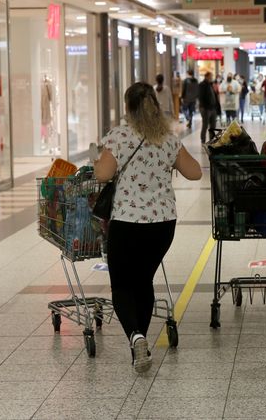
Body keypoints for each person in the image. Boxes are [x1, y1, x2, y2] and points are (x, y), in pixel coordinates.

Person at [94, 82, 202, 372]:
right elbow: (195, 172)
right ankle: (139, 345)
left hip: (128, 223)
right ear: (155, 106)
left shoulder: (120, 136)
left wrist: (98, 161)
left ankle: (136, 337)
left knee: (122, 285)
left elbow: (102, 174)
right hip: (162, 225)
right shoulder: (168, 139)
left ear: (128, 108)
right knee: (143, 281)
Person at [198, 72, 218, 143]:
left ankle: (212, 139)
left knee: (213, 125)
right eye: (210, 76)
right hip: (206, 108)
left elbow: (214, 95)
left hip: (213, 108)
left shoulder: (211, 84)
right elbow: (201, 97)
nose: (211, 77)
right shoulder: (202, 85)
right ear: (206, 76)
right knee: (205, 125)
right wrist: (204, 107)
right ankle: (203, 140)